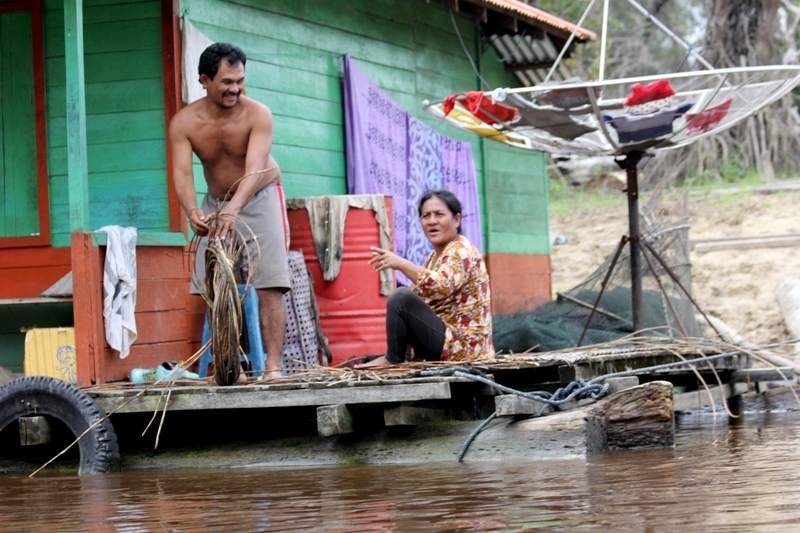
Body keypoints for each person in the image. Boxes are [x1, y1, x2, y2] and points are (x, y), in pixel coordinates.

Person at [169, 43, 290, 380]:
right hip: (216, 202)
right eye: (226, 82)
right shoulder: (184, 123)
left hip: (259, 195)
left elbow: (254, 168)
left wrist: (234, 209)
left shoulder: (258, 114)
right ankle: (229, 367)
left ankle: (273, 367)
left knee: (270, 283)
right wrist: (192, 209)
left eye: (239, 81)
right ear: (204, 80)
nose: (235, 89)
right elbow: (181, 174)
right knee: (216, 283)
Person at [358, 190, 494, 367]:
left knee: (401, 297)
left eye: (439, 214)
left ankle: (393, 360)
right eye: (425, 216)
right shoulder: (435, 256)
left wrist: (402, 264)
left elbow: (440, 286)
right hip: (449, 344)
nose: (432, 221)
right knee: (403, 300)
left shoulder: (461, 250)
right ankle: (398, 358)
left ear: (457, 219)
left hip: (464, 349)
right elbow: (418, 298)